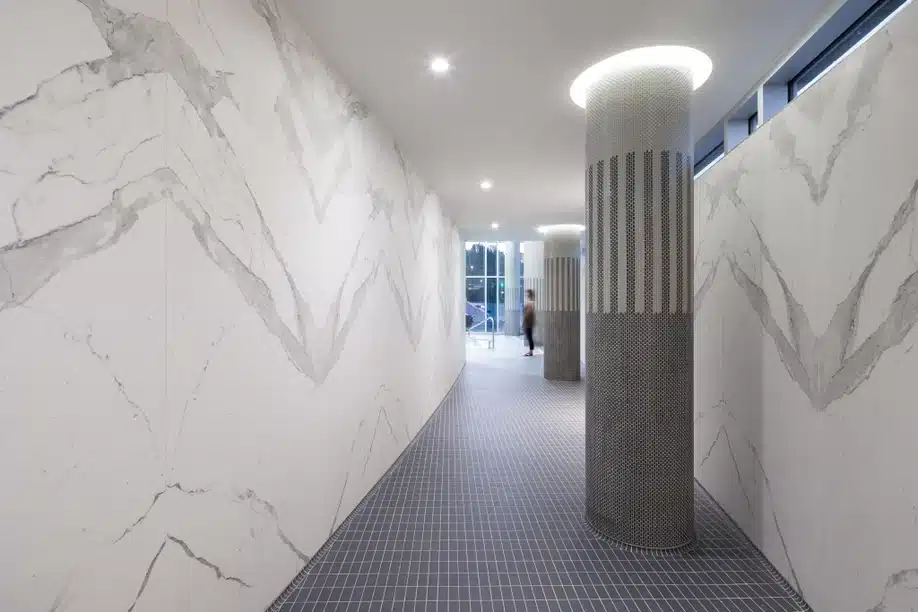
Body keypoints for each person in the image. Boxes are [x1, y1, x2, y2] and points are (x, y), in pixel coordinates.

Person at [523, 289, 536, 357]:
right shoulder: (530, 302)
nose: (526, 295)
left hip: (528, 322)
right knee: (529, 336)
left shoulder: (530, 302)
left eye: (527, 293)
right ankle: (531, 350)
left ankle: (531, 351)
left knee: (529, 336)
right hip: (529, 322)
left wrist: (525, 318)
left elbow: (529, 312)